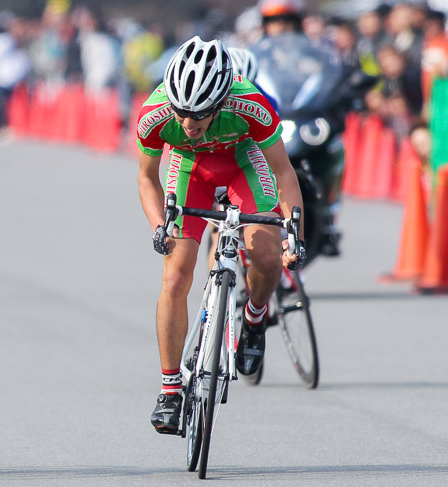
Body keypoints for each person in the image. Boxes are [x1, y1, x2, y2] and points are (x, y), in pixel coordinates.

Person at [136, 36, 305, 434]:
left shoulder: (251, 104)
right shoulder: (155, 114)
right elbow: (146, 178)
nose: (188, 125)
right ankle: (170, 389)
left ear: (220, 104)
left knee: (264, 254)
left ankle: (255, 317)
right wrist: (158, 226)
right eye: (181, 116)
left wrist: (293, 232)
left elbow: (283, 172)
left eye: (197, 118)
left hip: (243, 160)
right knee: (175, 274)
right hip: (190, 169)